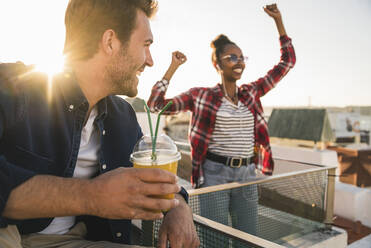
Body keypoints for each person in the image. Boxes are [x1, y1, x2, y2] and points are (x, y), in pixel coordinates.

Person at [0, 0, 199, 248]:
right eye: (146, 45)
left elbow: (149, 172)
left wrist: (179, 207)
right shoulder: (11, 86)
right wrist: (92, 195)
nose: (150, 61)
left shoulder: (123, 116)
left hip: (76, 239)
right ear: (110, 42)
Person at [147, 3, 296, 237]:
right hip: (214, 174)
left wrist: (278, 22)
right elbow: (156, 105)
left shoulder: (252, 92)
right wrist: (173, 67)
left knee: (248, 238)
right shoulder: (201, 96)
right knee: (214, 237)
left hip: (247, 173)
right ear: (217, 64)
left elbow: (287, 62)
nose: (239, 62)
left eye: (241, 57)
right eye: (232, 57)